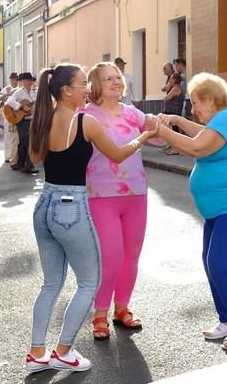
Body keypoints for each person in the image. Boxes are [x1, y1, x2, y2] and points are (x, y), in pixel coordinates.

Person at [24, 64, 158, 373]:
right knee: (88, 282)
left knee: (50, 285)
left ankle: (36, 353)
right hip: (72, 205)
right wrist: (145, 136)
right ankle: (64, 351)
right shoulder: (86, 121)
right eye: (83, 84)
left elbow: (33, 158)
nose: (88, 89)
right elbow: (119, 154)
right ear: (67, 90)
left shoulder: (43, 119)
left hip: (44, 203)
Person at [156, 72, 227, 350]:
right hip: (222, 207)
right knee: (210, 261)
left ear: (211, 100)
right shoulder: (223, 117)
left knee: (219, 264)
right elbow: (201, 135)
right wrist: (178, 122)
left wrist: (161, 130)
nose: (193, 109)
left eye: (195, 103)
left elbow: (198, 147)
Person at [81, 62, 151, 340]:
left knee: (131, 256)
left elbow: (157, 133)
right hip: (101, 195)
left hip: (136, 193)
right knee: (110, 257)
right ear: (96, 85)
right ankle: (100, 313)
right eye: (108, 79)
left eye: (117, 77)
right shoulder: (85, 115)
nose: (115, 82)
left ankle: (122, 308)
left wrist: (194, 137)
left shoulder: (133, 113)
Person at [8, 72, 38, 174]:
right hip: (22, 120)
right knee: (23, 142)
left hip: (32, 120)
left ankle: (28, 165)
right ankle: (22, 163)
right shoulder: (19, 92)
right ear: (23, 82)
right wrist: (21, 107)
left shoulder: (35, 93)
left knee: (30, 142)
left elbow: (37, 105)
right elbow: (9, 102)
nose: (30, 82)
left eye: (31, 80)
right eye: (27, 80)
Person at [162, 73, 185, 156]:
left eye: (171, 79)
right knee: (175, 131)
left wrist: (168, 89)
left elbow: (167, 98)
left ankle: (175, 149)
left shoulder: (176, 88)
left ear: (175, 80)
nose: (169, 81)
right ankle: (175, 148)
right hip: (175, 112)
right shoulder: (177, 87)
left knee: (174, 132)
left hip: (174, 112)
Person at [3, 73, 20, 164]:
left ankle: (15, 155)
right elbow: (1, 102)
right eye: (13, 79)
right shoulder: (6, 89)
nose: (14, 81)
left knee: (16, 136)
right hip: (8, 115)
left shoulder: (20, 89)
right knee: (8, 135)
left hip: (18, 115)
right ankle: (7, 156)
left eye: (16, 79)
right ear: (10, 80)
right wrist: (5, 99)